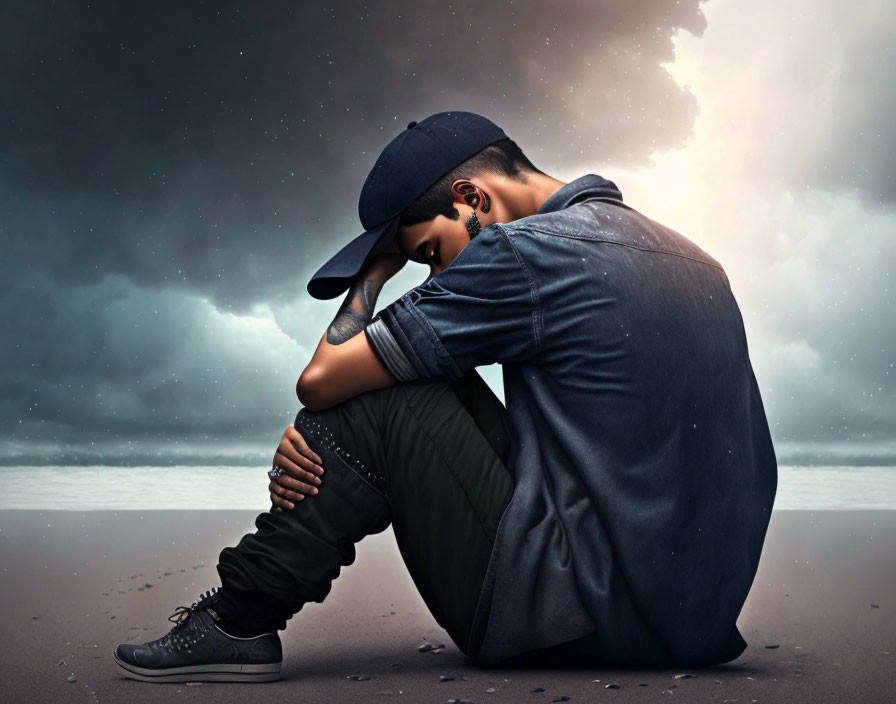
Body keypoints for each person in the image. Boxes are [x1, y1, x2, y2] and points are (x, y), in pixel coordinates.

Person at [113, 111, 777, 683]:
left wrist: (375, 274)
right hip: (693, 624)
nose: (437, 275)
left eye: (428, 252)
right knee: (400, 372)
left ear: (471, 197)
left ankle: (239, 619)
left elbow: (321, 378)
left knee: (372, 395)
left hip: (576, 624)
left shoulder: (523, 253)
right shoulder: (696, 262)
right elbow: (753, 459)